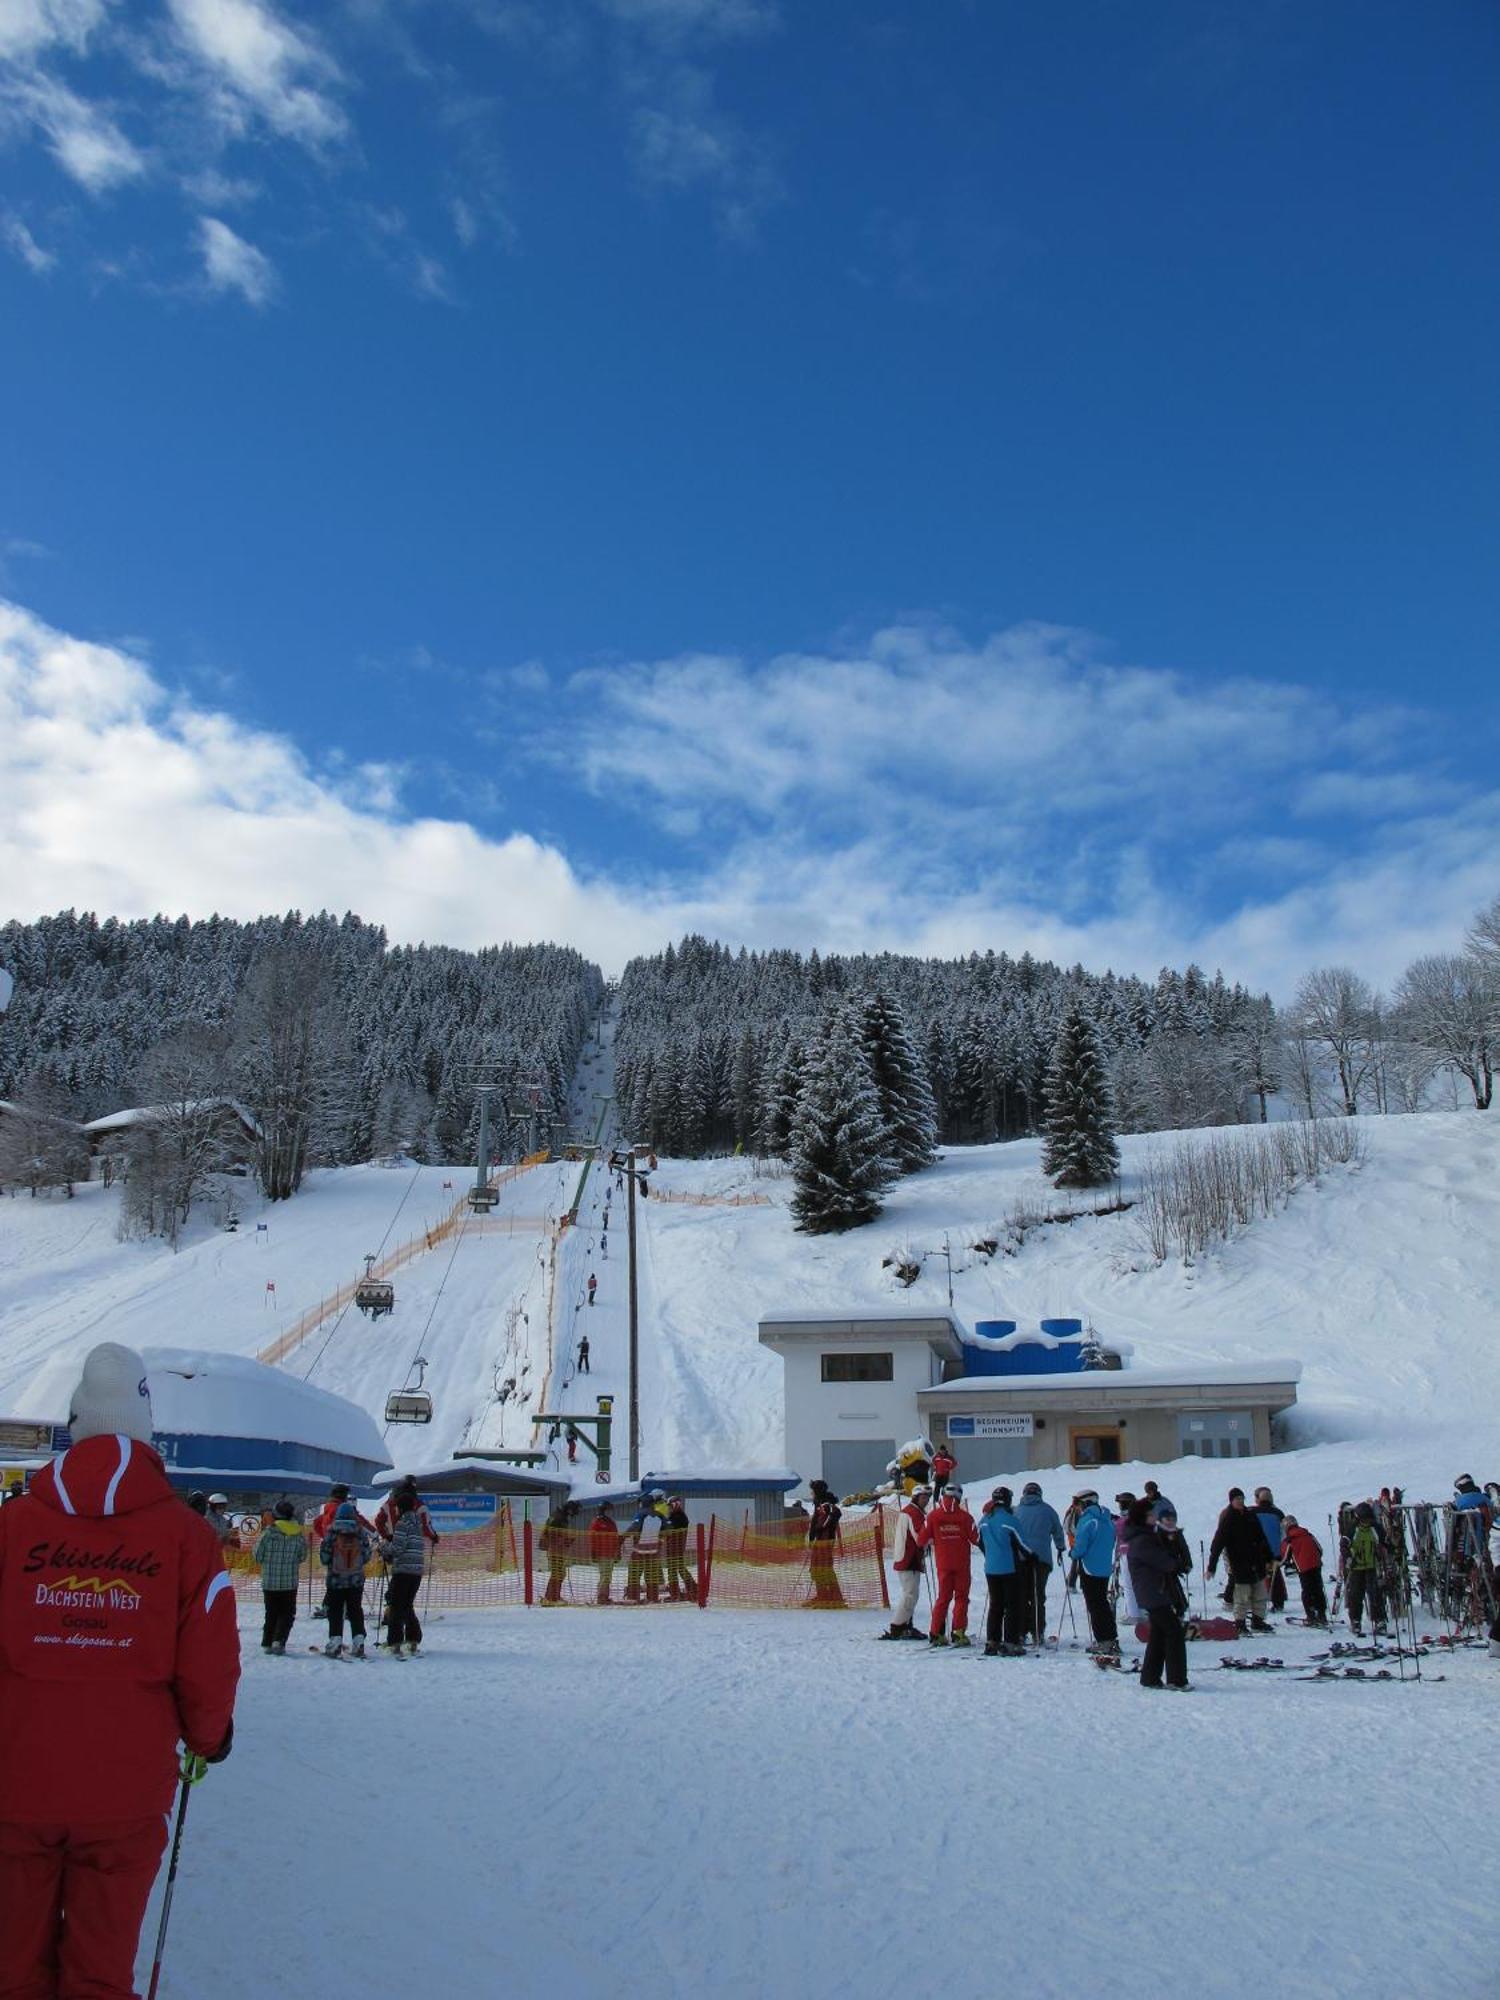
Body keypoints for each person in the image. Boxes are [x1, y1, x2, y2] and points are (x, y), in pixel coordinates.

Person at [0, 1341, 239, 1996]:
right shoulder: (185, 1538)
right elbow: (209, 1660)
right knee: (99, 1969)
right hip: (126, 1794)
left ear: (76, 1425)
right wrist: (208, 1736)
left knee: (12, 1964)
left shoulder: (14, 1527)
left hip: (16, 1783)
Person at [1125, 1499, 1193, 1690]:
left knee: (1159, 1633)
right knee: (1174, 1632)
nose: (1155, 1517)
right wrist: (1177, 1562)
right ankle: (1176, 1680)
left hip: (1155, 1591)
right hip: (1153, 1592)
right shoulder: (1142, 1539)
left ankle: (1150, 1677)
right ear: (1143, 1517)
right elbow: (1163, 1560)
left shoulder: (1147, 1535)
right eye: (1151, 1514)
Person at [1207, 1488, 1275, 1635]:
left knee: (1260, 1593)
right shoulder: (1228, 1518)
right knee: (1242, 1596)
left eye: (1242, 1498)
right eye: (1237, 1499)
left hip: (1256, 1561)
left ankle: (1257, 1621)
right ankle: (1240, 1623)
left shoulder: (1250, 1515)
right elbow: (1217, 1543)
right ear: (1231, 1501)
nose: (1240, 1501)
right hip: (1239, 1563)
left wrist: (1269, 1557)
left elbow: (1261, 1537)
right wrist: (1211, 1566)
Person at [922, 1484, 979, 1648]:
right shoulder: (965, 1517)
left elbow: (921, 1539)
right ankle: (958, 1632)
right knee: (961, 1598)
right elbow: (976, 1538)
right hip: (961, 1564)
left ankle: (935, 1633)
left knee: (943, 1598)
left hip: (943, 1563)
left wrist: (935, 1539)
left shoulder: (933, 1516)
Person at [1014, 1481, 1066, 1646]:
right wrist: (1060, 1547)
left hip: (1021, 1559)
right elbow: (1058, 1530)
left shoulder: (1016, 1511)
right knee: (1038, 1596)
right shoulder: (1048, 1510)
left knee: (1021, 1595)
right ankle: (1038, 1631)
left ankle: (1020, 1632)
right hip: (1041, 1559)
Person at [1068, 1489, 1120, 1654]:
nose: (1075, 1507)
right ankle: (1111, 1638)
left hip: (1090, 1568)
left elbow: (1080, 1546)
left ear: (1085, 1503)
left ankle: (1103, 1641)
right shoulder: (1107, 1520)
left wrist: (1073, 1553)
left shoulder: (1088, 1521)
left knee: (1095, 1606)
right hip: (1104, 1567)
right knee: (1102, 1603)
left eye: (1077, 1503)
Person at [254, 1498, 308, 1654]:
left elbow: (257, 1556)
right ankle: (279, 1640)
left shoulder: (268, 1533)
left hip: (269, 1582)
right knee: (287, 1613)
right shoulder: (298, 1535)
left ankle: (267, 1642)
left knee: (271, 1612)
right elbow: (302, 1556)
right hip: (289, 1582)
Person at [320, 1500, 373, 1656]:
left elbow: (324, 1557)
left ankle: (335, 1642)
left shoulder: (331, 1532)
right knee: (355, 1610)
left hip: (335, 1580)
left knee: (335, 1611)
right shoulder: (361, 1532)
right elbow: (367, 1556)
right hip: (356, 1580)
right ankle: (358, 1642)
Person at [381, 1492, 430, 1656]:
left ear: (400, 1508)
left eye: (396, 1507)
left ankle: (394, 1642)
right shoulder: (417, 1524)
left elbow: (397, 1548)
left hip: (403, 1570)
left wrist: (384, 1549)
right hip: (416, 1570)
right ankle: (413, 1638)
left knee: (396, 1605)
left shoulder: (403, 1523)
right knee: (407, 1604)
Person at [978, 1487, 1025, 1655]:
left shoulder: (984, 1519)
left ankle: (992, 1641)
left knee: (995, 1605)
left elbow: (979, 1541)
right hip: (1009, 1567)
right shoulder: (1010, 1520)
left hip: (990, 1568)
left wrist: (990, 1554)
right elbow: (1023, 1545)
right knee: (1012, 1605)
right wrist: (1032, 1556)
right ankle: (1011, 1642)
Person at [880, 1485, 930, 1639]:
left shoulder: (912, 1511)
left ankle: (906, 1625)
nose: (926, 1500)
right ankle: (898, 1626)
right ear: (916, 1497)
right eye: (923, 1497)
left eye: (927, 1497)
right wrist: (930, 1540)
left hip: (908, 1557)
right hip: (909, 1558)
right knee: (910, 1594)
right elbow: (919, 1537)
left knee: (911, 1593)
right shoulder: (914, 1513)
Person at [1345, 1502, 1388, 1638]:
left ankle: (1379, 1621)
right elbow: (1344, 1545)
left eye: (1368, 1519)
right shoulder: (1353, 1529)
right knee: (1356, 1595)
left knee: (1375, 1594)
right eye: (1364, 1519)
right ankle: (1356, 1621)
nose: (1367, 1522)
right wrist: (1348, 1558)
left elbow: (1384, 1541)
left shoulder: (1375, 1528)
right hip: (1356, 1567)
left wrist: (1387, 1550)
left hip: (1371, 1566)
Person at [1280, 1514, 1328, 1627]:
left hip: (1303, 1568)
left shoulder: (1290, 1539)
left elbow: (1285, 1557)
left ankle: (1311, 1616)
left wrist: (1282, 1564)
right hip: (1316, 1565)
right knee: (1318, 1589)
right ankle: (1322, 1615)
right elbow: (1320, 1549)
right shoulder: (1308, 1534)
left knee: (1307, 1591)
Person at [805, 1479, 845, 1608]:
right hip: (819, 1541)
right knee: (816, 1567)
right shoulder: (819, 1504)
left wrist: (819, 1528)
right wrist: (812, 1537)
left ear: (818, 1491)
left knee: (824, 1568)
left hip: (825, 1541)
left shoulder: (826, 1505)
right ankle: (822, 1595)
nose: (812, 1494)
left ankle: (834, 1597)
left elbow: (833, 1515)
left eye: (813, 1491)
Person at [625, 1491, 668, 1604]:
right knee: (651, 1575)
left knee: (634, 1574)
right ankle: (653, 1597)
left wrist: (622, 1537)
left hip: (639, 1550)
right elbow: (668, 1527)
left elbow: (634, 1527)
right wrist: (660, 1539)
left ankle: (633, 1597)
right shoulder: (660, 1515)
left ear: (643, 1503)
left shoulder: (641, 1514)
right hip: (653, 1551)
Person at [1253, 1486, 1288, 1611]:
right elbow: (1284, 1533)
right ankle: (1278, 1602)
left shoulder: (1252, 1512)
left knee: (1256, 1576)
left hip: (1257, 1549)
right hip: (1274, 1551)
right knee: (1275, 1576)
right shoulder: (1278, 1513)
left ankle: (1256, 1603)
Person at [540, 1499, 581, 1604]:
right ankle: (550, 1597)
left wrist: (567, 1540)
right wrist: (563, 1540)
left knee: (560, 1573)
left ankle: (555, 1596)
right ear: (569, 1509)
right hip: (555, 1550)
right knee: (556, 1573)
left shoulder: (562, 1517)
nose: (574, 1514)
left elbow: (558, 1534)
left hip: (560, 1549)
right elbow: (549, 1533)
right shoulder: (557, 1517)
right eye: (574, 1511)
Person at [662, 1495, 696, 1602]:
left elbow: (668, 1529)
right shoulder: (677, 1516)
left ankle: (675, 1594)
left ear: (675, 1505)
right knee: (680, 1569)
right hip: (675, 1547)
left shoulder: (678, 1517)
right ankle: (693, 1588)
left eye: (670, 1506)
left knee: (673, 1570)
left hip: (675, 1548)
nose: (669, 1509)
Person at [590, 1500, 621, 1604]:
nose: (610, 1513)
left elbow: (616, 1537)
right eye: (608, 1510)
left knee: (608, 1575)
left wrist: (618, 1552)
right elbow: (592, 1538)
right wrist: (593, 1552)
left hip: (611, 1553)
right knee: (605, 1575)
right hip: (602, 1554)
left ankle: (605, 1596)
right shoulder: (597, 1522)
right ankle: (601, 1596)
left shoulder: (611, 1523)